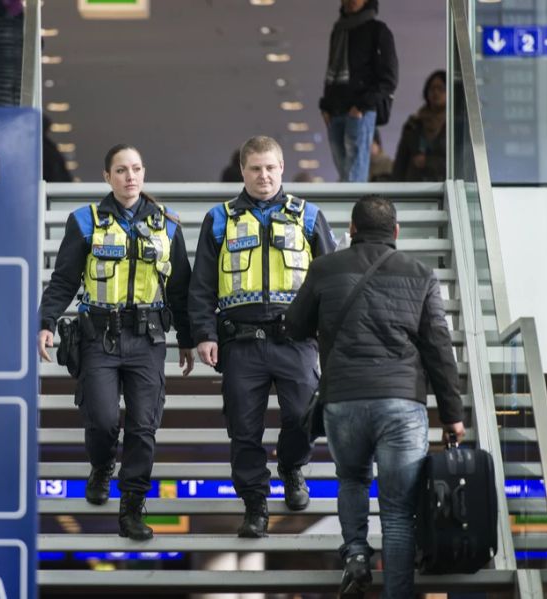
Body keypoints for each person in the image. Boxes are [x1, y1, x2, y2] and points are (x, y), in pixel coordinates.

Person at [284, 195, 466, 597]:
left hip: (344, 398)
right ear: (396, 232)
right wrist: (452, 413)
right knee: (399, 513)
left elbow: (294, 326)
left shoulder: (325, 267)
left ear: (351, 229)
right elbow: (439, 349)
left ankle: (356, 555)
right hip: (401, 402)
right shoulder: (420, 274)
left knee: (351, 479)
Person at [37, 144, 195, 540]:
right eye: (121, 170)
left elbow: (180, 290)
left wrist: (190, 340)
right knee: (105, 421)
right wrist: (46, 323)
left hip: (148, 338)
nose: (131, 177)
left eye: (137, 169)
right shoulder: (85, 222)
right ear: (107, 177)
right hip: (99, 337)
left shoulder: (167, 224)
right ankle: (102, 465)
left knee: (143, 427)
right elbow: (63, 280)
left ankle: (131, 509)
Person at [189, 135, 335, 538]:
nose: (264, 176)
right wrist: (203, 333)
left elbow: (333, 279)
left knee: (305, 418)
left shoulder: (308, 216)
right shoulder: (219, 219)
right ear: (243, 171)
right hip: (241, 343)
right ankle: (255, 504)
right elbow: (201, 285)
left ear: (282, 168)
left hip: (297, 340)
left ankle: (291, 468)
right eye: (255, 168)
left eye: (270, 167)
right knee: (244, 430)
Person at [319, 0, 398, 183]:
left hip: (360, 110)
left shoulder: (378, 30)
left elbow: (389, 77)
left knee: (354, 174)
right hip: (335, 109)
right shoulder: (338, 30)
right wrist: (325, 107)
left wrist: (362, 106)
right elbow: (331, 69)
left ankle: (353, 210)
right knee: (344, 171)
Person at [392, 69, 447, 182]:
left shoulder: (456, 125)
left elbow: (461, 163)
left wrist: (428, 162)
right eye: (432, 89)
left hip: (444, 188)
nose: (435, 92)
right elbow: (401, 162)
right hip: (414, 187)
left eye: (441, 88)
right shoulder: (414, 123)